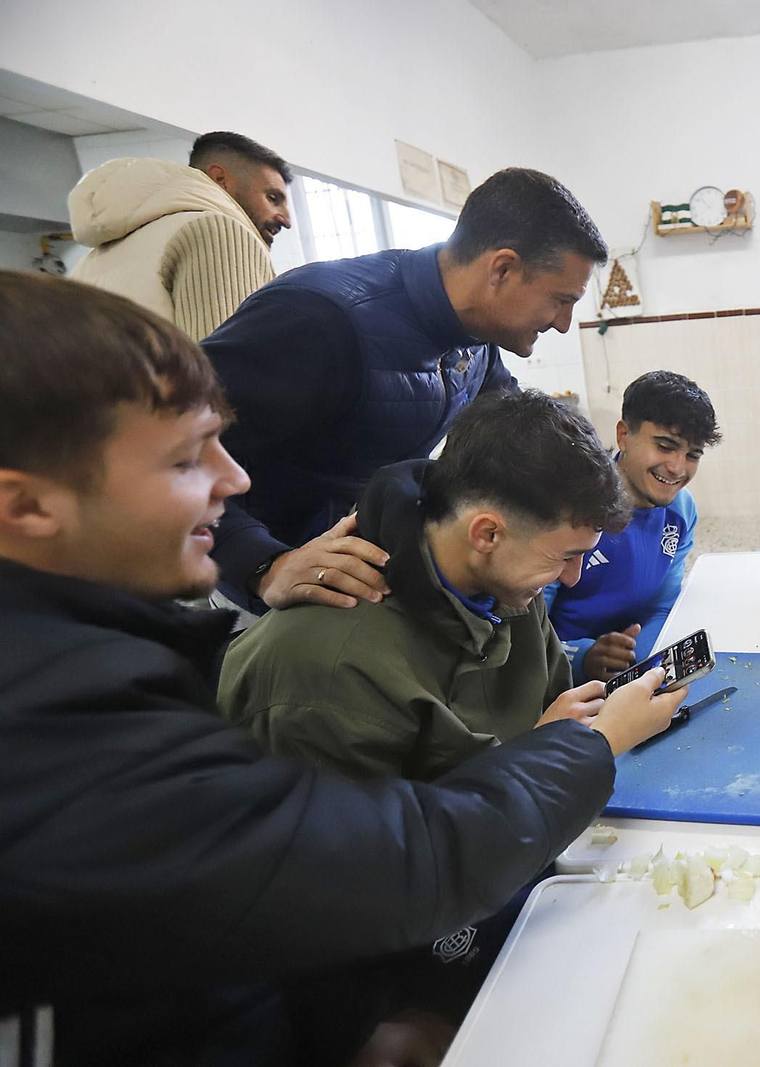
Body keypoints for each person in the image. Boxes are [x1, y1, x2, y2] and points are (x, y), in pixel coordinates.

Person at [0, 272, 683, 1065]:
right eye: (188, 458)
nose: (237, 480)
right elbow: (376, 870)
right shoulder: (63, 742)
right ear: (27, 507)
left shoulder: (115, 666)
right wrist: (365, 1020)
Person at [202, 166, 606, 621]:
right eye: (561, 299)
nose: (563, 323)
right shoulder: (320, 319)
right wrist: (264, 565)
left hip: (362, 585)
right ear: (503, 269)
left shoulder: (476, 339)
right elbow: (168, 451)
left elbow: (523, 436)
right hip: (272, 596)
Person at [218, 389, 635, 780]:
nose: (573, 577)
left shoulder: (510, 584)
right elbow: (381, 849)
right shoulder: (333, 669)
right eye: (564, 557)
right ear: (486, 534)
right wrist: (542, 755)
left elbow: (555, 712)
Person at [545, 371, 721, 681]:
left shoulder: (682, 509)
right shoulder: (571, 506)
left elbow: (662, 607)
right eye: (665, 446)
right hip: (553, 678)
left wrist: (637, 669)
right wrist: (581, 658)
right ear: (624, 435)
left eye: (692, 454)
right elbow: (520, 631)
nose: (678, 468)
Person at [69, 131, 292, 340]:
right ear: (219, 179)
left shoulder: (95, 257)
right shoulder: (220, 232)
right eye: (272, 198)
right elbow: (230, 370)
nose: (286, 220)